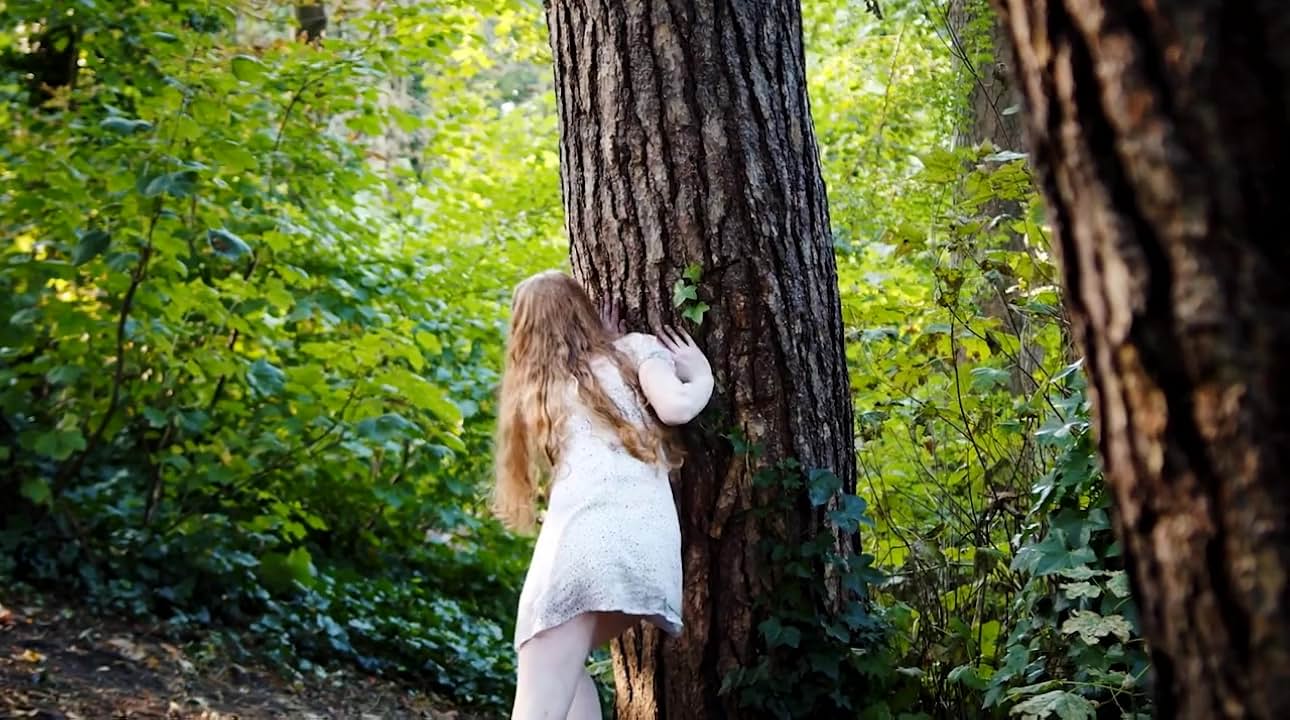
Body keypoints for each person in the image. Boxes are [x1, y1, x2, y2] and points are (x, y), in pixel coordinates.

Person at [493, 270, 714, 719]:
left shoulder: (543, 390)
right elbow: (676, 405)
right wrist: (701, 375)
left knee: (537, 686)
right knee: (566, 673)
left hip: (579, 551)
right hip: (646, 551)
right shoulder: (633, 352)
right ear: (583, 310)